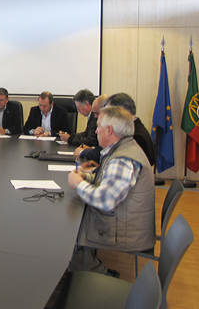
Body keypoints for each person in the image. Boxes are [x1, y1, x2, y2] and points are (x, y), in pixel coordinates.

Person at [67, 106, 155, 277]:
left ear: (109, 130)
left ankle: (94, 274)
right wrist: (86, 177)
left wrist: (78, 184)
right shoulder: (121, 148)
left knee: (68, 230)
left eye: (98, 126)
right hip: (125, 221)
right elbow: (107, 184)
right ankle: (92, 267)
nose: (96, 131)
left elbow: (106, 201)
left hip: (124, 231)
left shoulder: (122, 159)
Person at [76, 93, 156, 165]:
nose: (106, 116)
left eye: (110, 113)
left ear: (121, 112)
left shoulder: (134, 135)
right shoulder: (132, 128)